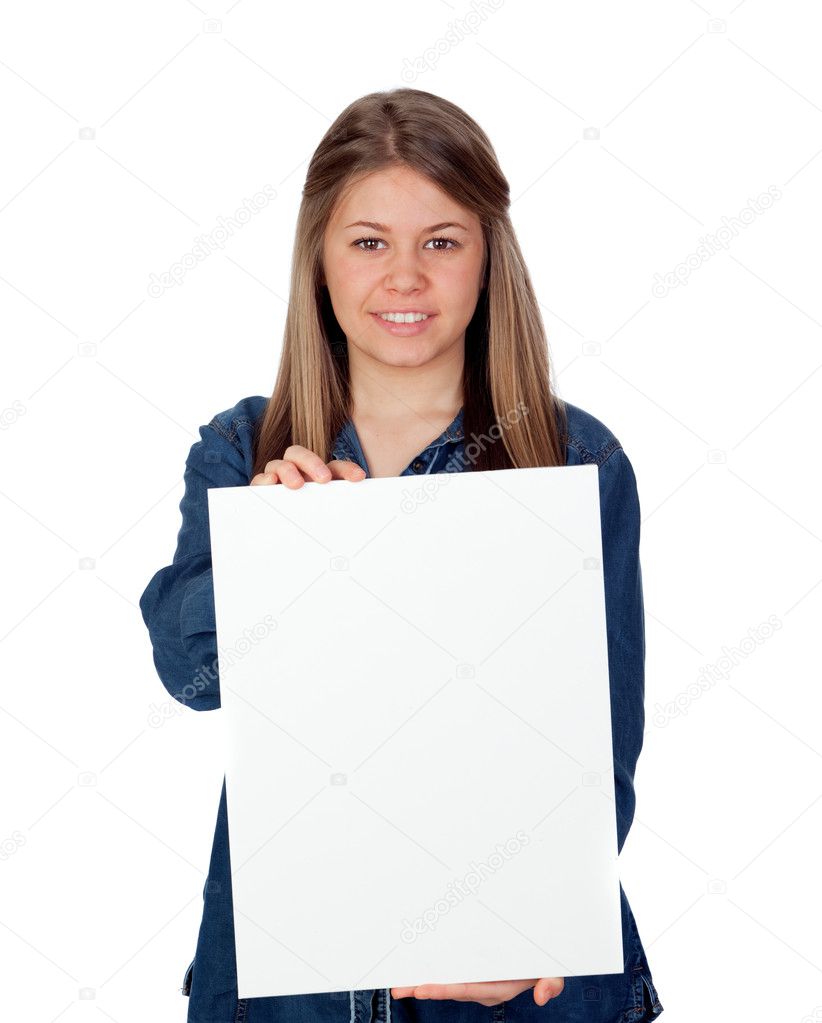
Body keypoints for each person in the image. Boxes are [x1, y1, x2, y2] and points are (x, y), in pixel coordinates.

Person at [139, 87, 664, 1023]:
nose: (406, 277)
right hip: (293, 974)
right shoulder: (245, 449)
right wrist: (274, 554)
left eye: (443, 241)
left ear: (488, 258)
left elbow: (602, 735)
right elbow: (193, 675)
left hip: (513, 973)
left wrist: (535, 917)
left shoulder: (573, 457)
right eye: (370, 241)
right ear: (322, 262)